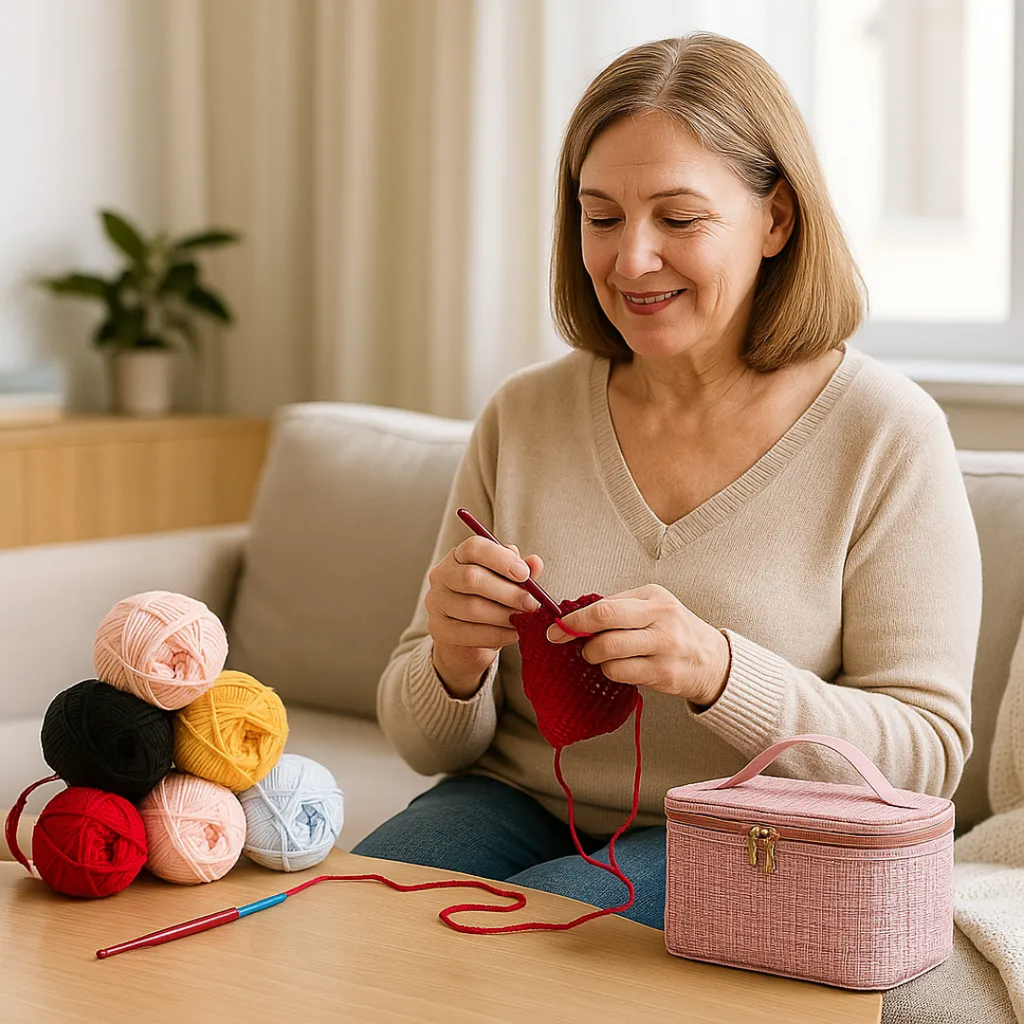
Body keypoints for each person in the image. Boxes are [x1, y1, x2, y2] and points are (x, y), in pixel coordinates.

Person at [352, 32, 982, 932]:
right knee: (357, 918)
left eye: (678, 220)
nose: (631, 259)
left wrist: (719, 671)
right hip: (510, 801)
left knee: (541, 942)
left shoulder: (887, 434)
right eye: (600, 217)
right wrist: (453, 663)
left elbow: (924, 762)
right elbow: (422, 743)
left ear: (777, 220)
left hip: (743, 828)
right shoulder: (524, 415)